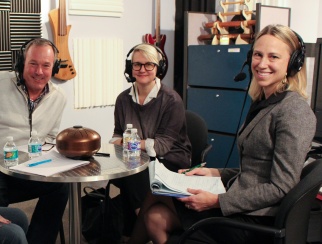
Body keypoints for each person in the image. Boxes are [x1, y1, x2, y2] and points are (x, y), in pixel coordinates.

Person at [127, 24, 317, 244]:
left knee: (156, 198)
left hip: (253, 219)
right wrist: (216, 172)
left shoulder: (294, 111)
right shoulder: (266, 102)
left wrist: (218, 201)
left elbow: (281, 186)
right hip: (239, 201)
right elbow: (256, 169)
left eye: (273, 56)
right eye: (257, 54)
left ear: (293, 63)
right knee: (155, 213)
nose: (262, 63)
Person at [110, 43, 191, 239]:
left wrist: (128, 142)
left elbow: (161, 147)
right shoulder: (123, 99)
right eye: (137, 65)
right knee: (129, 169)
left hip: (172, 159)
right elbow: (116, 137)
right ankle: (141, 225)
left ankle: (136, 233)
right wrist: (136, 143)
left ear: (158, 68)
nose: (142, 70)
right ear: (130, 68)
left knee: (137, 172)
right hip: (137, 157)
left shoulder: (171, 100)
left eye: (149, 65)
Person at [0, 38, 69, 244]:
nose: (39, 71)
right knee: (9, 228)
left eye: (46, 65)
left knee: (60, 186)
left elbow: (50, 138)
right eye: (33, 63)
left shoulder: (59, 98)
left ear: (53, 67)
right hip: (0, 170)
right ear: (22, 63)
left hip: (29, 170)